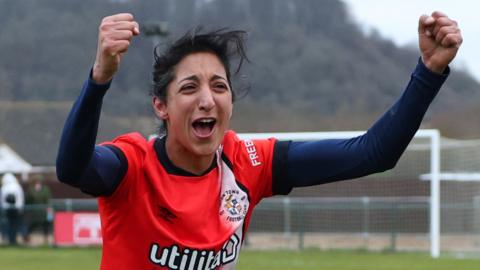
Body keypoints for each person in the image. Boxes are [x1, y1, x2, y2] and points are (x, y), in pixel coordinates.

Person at [56, 11, 462, 270]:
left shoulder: (250, 163)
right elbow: (73, 167)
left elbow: (373, 152)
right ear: (160, 107)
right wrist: (99, 78)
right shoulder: (132, 165)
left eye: (219, 86)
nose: (206, 99)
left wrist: (427, 72)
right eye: (189, 88)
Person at [23, 175, 52, 245]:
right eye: (36, 181)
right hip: (33, 213)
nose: (38, 182)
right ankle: (27, 239)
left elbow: (48, 201)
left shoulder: (46, 189)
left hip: (43, 213)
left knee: (46, 227)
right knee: (31, 227)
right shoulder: (30, 190)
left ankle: (46, 240)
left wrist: (49, 212)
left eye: (39, 181)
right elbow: (27, 201)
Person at [0, 173, 25, 245]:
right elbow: (21, 198)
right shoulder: (17, 187)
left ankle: (10, 239)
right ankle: (12, 240)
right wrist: (20, 208)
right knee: (14, 225)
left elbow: (2, 200)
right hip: (15, 209)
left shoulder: (4, 187)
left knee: (9, 225)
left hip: (7, 210)